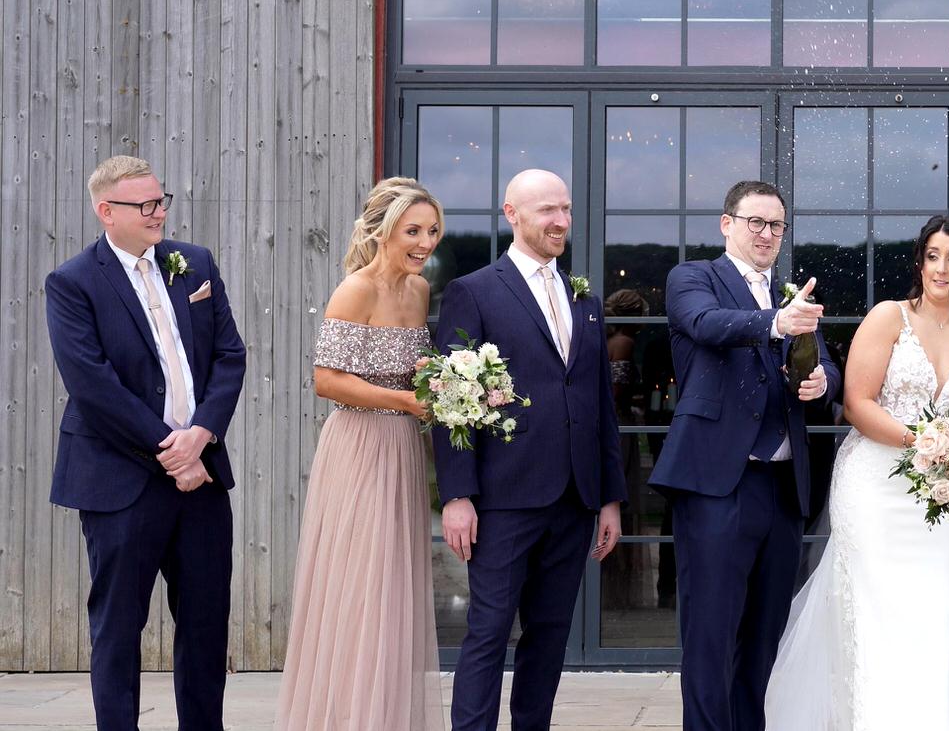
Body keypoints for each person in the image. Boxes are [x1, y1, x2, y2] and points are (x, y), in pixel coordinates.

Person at [764, 215, 949, 728]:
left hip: (936, 500)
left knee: (935, 612)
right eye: (932, 255)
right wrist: (922, 442)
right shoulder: (889, 317)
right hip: (874, 487)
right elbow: (856, 403)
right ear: (920, 261)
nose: (941, 268)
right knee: (875, 611)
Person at [44, 155, 247, 731]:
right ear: (106, 212)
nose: (159, 212)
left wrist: (201, 437)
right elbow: (92, 383)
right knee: (118, 624)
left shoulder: (194, 264)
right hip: (121, 482)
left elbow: (230, 356)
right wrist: (171, 449)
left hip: (202, 478)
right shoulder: (73, 282)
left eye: (162, 201)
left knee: (207, 622)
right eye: (145, 205)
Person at [433, 169, 627, 731]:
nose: (561, 221)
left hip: (574, 499)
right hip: (503, 498)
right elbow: (453, 404)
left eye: (565, 209)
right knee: (489, 632)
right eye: (547, 210)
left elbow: (598, 407)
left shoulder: (583, 298)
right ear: (511, 214)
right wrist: (458, 495)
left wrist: (609, 498)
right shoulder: (475, 291)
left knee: (549, 635)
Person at [650, 180, 841, 731]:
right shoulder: (694, 278)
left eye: (776, 225)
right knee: (711, 637)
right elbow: (706, 326)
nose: (766, 233)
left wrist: (820, 384)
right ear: (727, 223)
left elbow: (827, 365)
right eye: (755, 222)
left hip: (783, 490)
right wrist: (777, 323)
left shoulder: (791, 296)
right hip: (717, 484)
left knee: (762, 640)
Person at [276, 178, 447, 729]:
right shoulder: (355, 289)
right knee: (361, 582)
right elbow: (326, 381)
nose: (426, 242)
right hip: (358, 446)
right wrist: (402, 399)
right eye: (413, 231)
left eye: (433, 231)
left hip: (402, 448)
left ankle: (387, 713)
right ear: (381, 232)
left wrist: (433, 382)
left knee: (395, 586)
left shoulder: (420, 292)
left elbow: (413, 371)